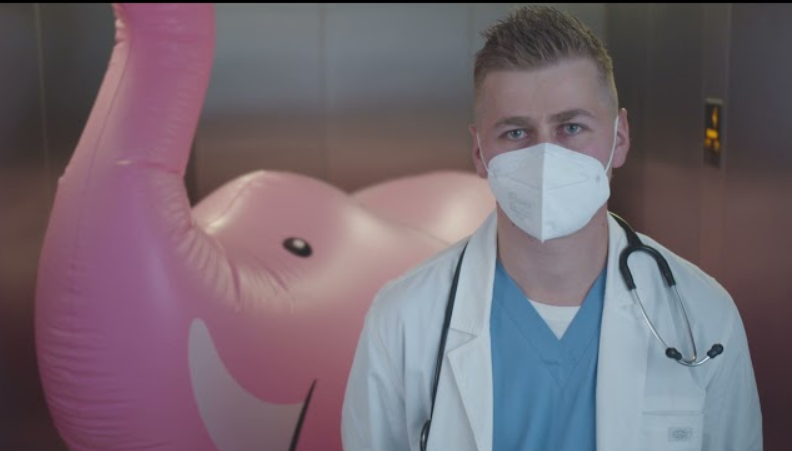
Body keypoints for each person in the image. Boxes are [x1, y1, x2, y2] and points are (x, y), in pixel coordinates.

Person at [341, 5, 762, 451]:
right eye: (516, 133)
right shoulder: (403, 321)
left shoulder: (702, 316)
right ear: (480, 153)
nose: (546, 156)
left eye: (571, 127)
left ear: (619, 137)